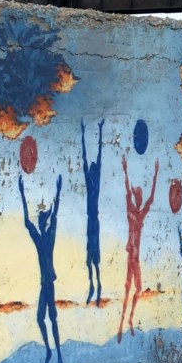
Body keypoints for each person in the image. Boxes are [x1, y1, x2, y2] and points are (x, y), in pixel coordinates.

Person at [19, 174, 64, 363]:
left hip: (49, 284)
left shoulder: (48, 237)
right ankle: (49, 350)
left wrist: (58, 192)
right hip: (44, 284)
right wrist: (21, 193)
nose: (40, 221)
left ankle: (59, 354)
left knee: (51, 319)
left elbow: (53, 216)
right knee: (40, 319)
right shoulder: (40, 238)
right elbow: (26, 222)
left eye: (42, 219)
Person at [118, 155, 159, 343]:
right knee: (128, 290)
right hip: (130, 258)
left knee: (139, 289)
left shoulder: (141, 215)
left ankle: (131, 319)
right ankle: (120, 325)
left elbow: (151, 199)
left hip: (137, 258)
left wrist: (156, 174)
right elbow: (127, 190)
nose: (141, 198)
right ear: (135, 197)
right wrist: (125, 170)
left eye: (140, 196)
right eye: (138, 196)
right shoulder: (130, 212)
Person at [81, 119, 104, 307]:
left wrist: (100, 131)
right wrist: (83, 134)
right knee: (90, 262)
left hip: (93, 223)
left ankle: (95, 288)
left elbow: (94, 154)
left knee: (92, 261)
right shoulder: (92, 184)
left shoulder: (92, 184)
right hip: (92, 223)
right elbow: (88, 157)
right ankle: (94, 287)